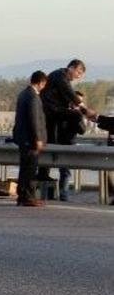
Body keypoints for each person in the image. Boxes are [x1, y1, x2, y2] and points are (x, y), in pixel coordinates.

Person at [38, 59, 87, 201]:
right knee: (76, 114)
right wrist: (82, 109)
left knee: (50, 145)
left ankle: (44, 174)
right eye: (78, 72)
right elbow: (69, 92)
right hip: (51, 112)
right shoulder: (60, 76)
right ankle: (44, 175)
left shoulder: (59, 77)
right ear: (71, 68)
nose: (78, 76)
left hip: (53, 118)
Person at [13, 71, 49, 207]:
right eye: (44, 84)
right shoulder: (34, 97)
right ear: (41, 83)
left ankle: (22, 195)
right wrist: (38, 138)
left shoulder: (23, 94)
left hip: (23, 138)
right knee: (30, 169)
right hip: (30, 139)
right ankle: (27, 196)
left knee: (24, 168)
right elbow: (34, 119)